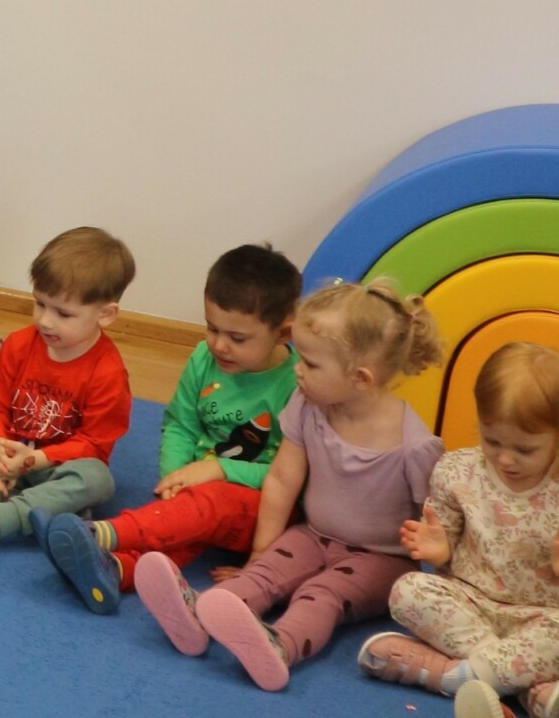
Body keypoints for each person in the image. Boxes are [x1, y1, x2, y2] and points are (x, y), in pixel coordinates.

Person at [135, 279, 444, 692]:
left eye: (311, 364)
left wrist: (441, 592)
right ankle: (198, 614)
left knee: (322, 593)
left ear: (361, 378)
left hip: (381, 560)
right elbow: (282, 478)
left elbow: (439, 520)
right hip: (313, 535)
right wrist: (257, 555)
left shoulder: (415, 446)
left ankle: (281, 645)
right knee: (267, 573)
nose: (296, 368)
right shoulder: (307, 405)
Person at [43, 244, 301, 613]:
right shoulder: (203, 358)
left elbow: (294, 479)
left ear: (283, 333)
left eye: (237, 338)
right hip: (200, 494)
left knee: (207, 506)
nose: (219, 345)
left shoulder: (298, 386)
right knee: (183, 525)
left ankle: (101, 534)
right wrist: (175, 478)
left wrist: (219, 469)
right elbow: (181, 424)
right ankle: (114, 571)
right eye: (212, 328)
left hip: (265, 512)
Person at [356, 342, 559, 718]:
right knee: (408, 590)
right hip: (469, 603)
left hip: (540, 616)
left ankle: (447, 675)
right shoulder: (457, 471)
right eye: (492, 440)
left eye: (525, 449)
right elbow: (444, 538)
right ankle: (528, 691)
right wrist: (440, 548)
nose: (505, 458)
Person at [0, 226, 135, 560]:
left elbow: (95, 444)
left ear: (105, 314)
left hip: (54, 468)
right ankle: (45, 512)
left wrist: (34, 460)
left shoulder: (108, 372)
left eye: (63, 313)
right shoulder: (20, 344)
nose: (45, 321)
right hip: (3, 461)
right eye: (40, 304)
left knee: (97, 480)